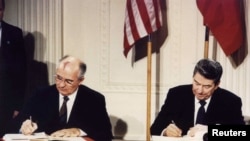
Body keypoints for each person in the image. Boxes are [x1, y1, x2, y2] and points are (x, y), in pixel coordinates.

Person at [9, 55, 113, 141]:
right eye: (58, 78)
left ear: (80, 80)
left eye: (68, 81)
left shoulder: (94, 99)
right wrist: (23, 126)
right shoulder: (40, 94)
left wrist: (78, 131)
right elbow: (16, 122)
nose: (61, 85)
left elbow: (106, 134)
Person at [150, 58, 245, 137]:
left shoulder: (231, 101)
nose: (199, 90)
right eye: (197, 83)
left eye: (207, 86)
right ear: (193, 78)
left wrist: (211, 131)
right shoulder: (176, 95)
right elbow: (154, 129)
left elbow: (241, 133)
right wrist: (166, 131)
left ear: (216, 85)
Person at [0, 0, 26, 137]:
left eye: (0, 9)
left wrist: (17, 106)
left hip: (6, 104)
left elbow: (21, 73)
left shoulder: (14, 33)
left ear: (3, 10)